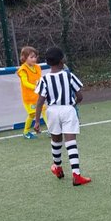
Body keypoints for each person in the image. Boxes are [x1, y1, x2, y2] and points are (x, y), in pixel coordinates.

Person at [31, 46, 91, 185]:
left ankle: (57, 168)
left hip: (51, 111)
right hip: (67, 109)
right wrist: (73, 105)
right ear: (62, 61)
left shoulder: (44, 79)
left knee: (56, 140)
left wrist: (37, 121)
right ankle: (76, 175)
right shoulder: (68, 75)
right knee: (71, 142)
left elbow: (40, 102)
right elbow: (80, 96)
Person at [17, 45, 45, 139]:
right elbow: (25, 83)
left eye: (35, 57)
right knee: (32, 114)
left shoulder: (37, 67)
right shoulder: (23, 70)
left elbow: (40, 79)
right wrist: (37, 87)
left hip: (38, 96)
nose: (34, 59)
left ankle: (51, 129)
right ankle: (26, 132)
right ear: (24, 58)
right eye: (31, 57)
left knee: (44, 110)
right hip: (29, 98)